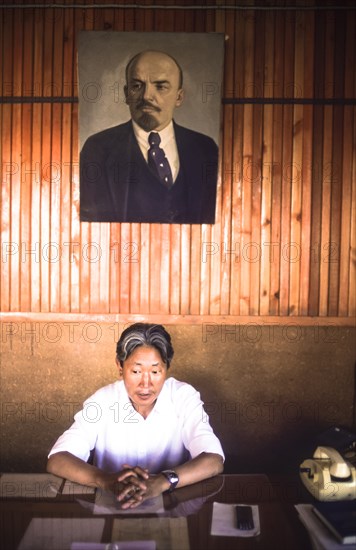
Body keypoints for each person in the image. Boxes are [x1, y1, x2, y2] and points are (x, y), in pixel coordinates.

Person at [47, 323, 224, 508]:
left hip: (171, 510)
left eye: (155, 371)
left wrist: (162, 481)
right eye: (136, 371)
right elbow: (58, 459)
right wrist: (105, 480)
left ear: (167, 367)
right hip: (113, 507)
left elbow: (214, 460)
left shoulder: (183, 397)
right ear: (120, 366)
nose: (145, 384)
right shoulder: (102, 401)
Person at [79, 50, 219, 224]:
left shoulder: (206, 149)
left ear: (179, 97)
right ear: (126, 94)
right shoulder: (97, 149)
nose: (146, 96)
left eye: (160, 86)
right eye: (137, 86)